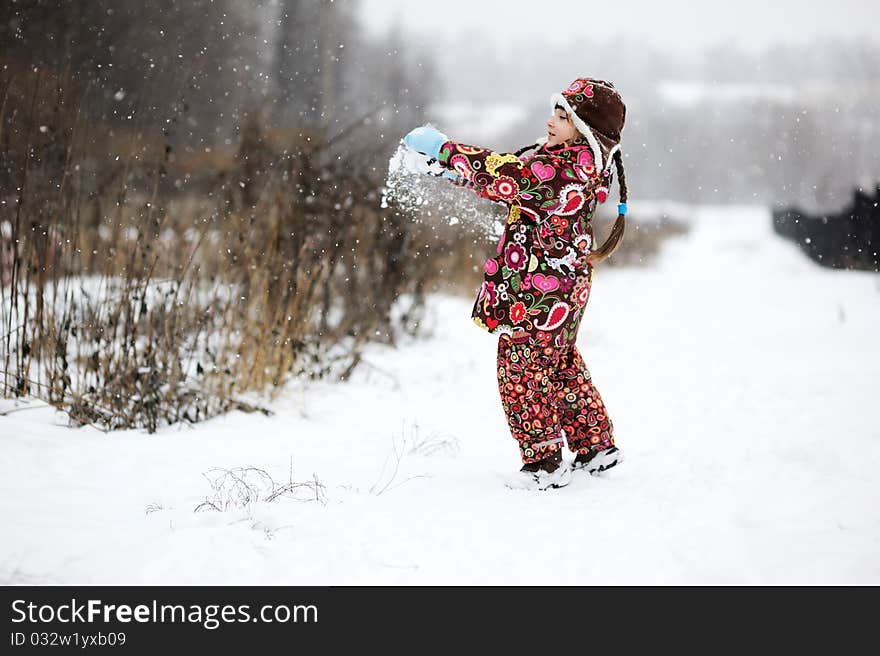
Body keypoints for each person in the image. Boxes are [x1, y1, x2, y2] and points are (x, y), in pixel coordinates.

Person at [403, 77, 628, 490]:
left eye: (564, 116)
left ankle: (544, 463)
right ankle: (595, 447)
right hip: (562, 286)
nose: (551, 121)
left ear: (586, 128)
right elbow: (512, 185)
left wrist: (445, 150)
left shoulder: (565, 170)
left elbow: (513, 177)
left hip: (541, 291)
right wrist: (446, 171)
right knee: (557, 363)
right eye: (554, 112)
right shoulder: (574, 163)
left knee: (521, 371)